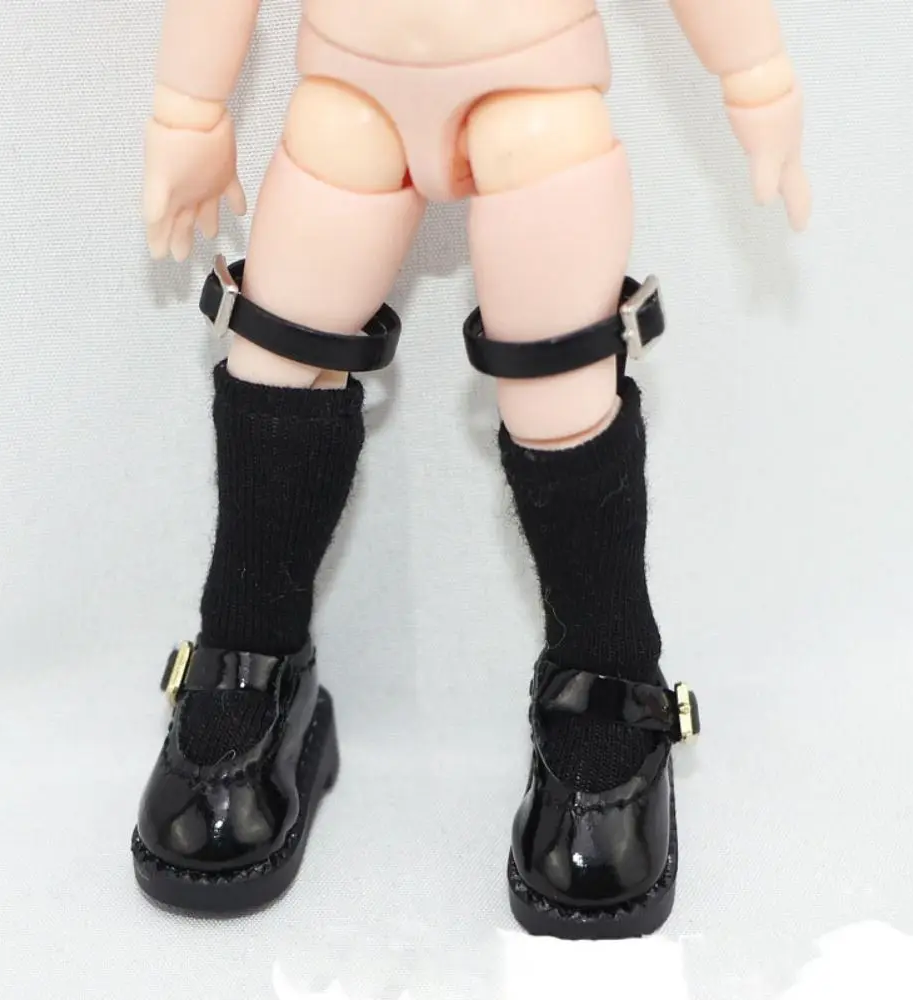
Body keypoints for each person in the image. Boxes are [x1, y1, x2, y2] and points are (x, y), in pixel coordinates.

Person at [132, 0, 809, 937]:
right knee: (280, 347)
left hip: (533, 81)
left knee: (557, 372)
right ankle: (253, 651)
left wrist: (756, 74)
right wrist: (188, 108)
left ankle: (605, 673)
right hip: (352, 83)